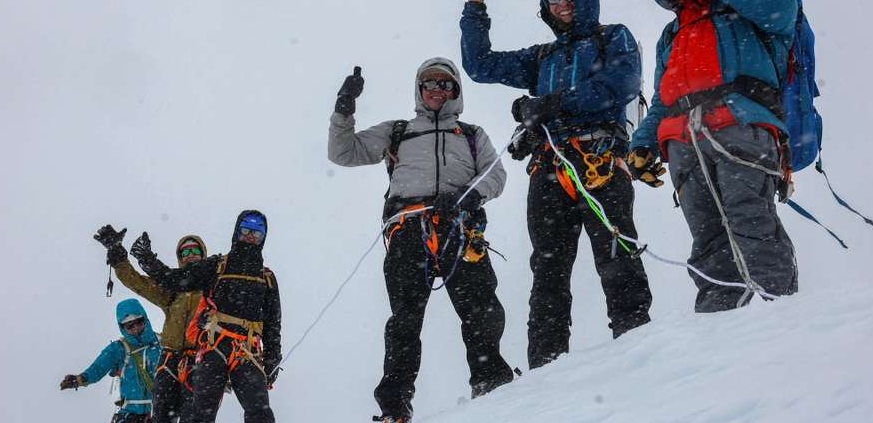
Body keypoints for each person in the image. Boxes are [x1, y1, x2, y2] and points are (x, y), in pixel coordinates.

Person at [461, 0, 653, 369]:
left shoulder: (613, 37)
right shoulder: (542, 56)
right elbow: (480, 66)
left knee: (617, 258)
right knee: (548, 271)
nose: (562, 4)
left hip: (600, 163)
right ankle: (546, 368)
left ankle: (637, 351)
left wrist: (551, 104)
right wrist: (475, 9)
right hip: (549, 169)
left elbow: (621, 83)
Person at [328, 57, 513, 423]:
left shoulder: (473, 135)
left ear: (456, 92)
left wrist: (470, 196)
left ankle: (490, 380)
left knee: (480, 305)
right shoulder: (398, 131)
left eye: (446, 85)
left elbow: (496, 175)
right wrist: (343, 110)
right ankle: (395, 405)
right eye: (430, 84)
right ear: (419, 88)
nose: (437, 91)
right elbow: (343, 152)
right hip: (407, 228)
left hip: (458, 224)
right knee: (405, 320)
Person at [628, 0, 799, 312]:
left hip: (741, 124)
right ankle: (717, 330)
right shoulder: (671, 33)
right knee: (707, 238)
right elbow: (662, 100)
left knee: (750, 221)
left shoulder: (746, 12)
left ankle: (779, 317)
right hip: (684, 141)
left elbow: (782, 12)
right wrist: (642, 144)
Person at [130, 210, 282, 423]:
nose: (250, 236)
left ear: (263, 238)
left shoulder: (266, 277)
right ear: (237, 231)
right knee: (201, 415)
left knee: (260, 412)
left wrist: (273, 357)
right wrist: (146, 259)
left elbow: (273, 323)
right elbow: (175, 279)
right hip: (214, 348)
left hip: (246, 351)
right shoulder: (217, 266)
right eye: (246, 230)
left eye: (257, 233)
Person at [94, 225, 208, 423]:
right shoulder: (174, 292)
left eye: (195, 250)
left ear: (203, 254)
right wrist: (118, 256)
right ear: (180, 258)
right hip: (170, 361)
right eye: (185, 251)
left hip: (200, 361)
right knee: (162, 415)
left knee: (194, 416)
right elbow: (137, 283)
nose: (190, 255)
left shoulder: (213, 290)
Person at [60, 298, 161, 423]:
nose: (135, 328)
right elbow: (98, 368)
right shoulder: (119, 349)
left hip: (161, 412)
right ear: (122, 327)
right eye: (129, 326)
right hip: (131, 415)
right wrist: (81, 379)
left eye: (139, 322)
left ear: (145, 319)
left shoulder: (162, 344)